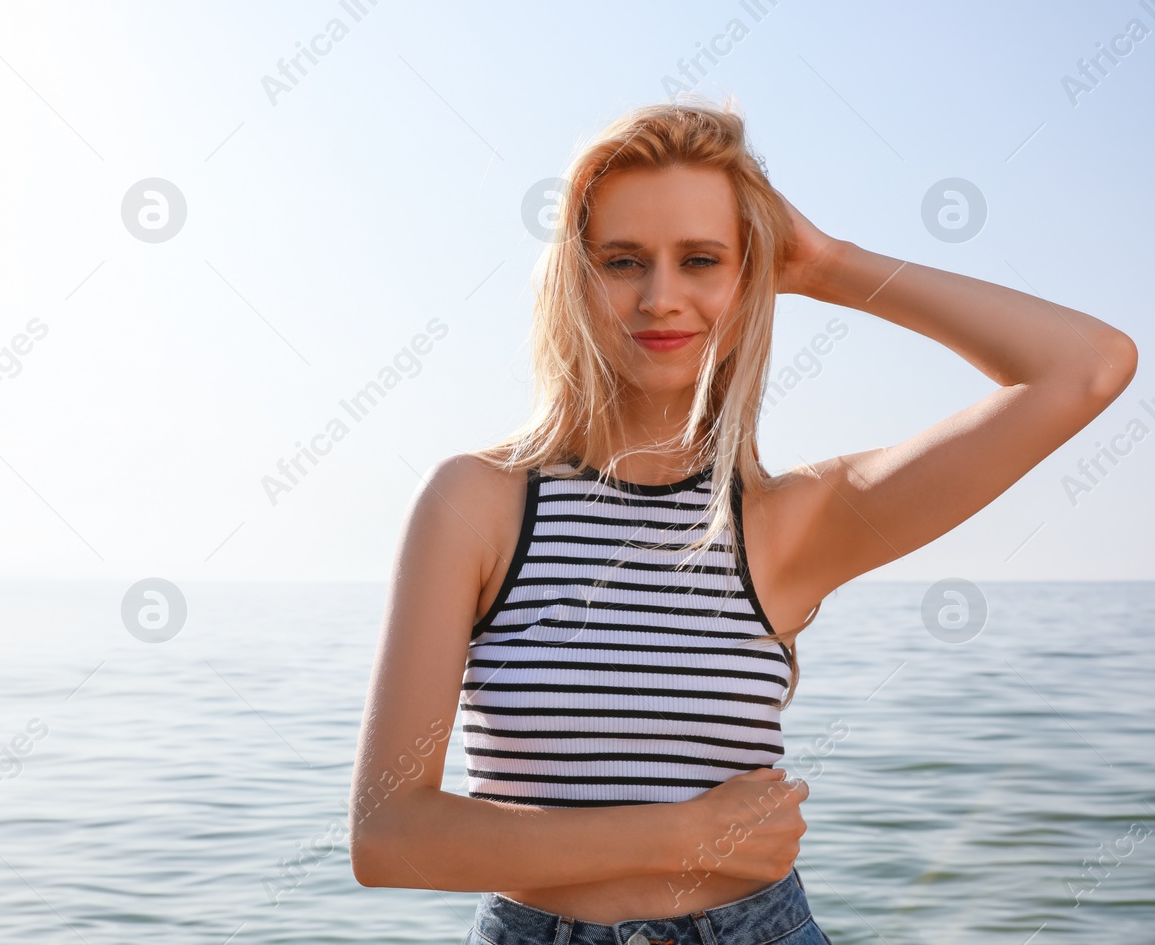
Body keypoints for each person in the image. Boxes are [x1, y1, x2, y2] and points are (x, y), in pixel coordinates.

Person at [346, 99, 1137, 945]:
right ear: (576, 277)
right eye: (622, 260)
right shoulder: (477, 503)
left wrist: (831, 264)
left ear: (747, 275)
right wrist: (682, 834)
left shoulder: (787, 521)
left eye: (701, 260)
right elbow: (387, 835)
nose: (661, 297)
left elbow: (1086, 367)